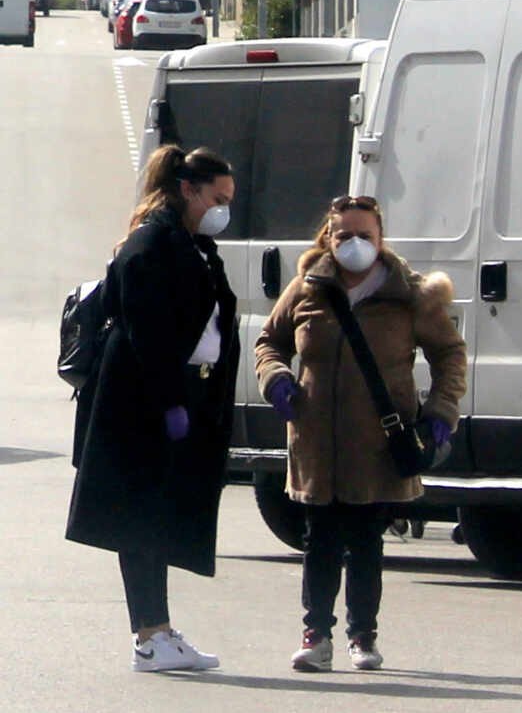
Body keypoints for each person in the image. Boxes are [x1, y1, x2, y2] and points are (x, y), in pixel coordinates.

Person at [255, 195, 466, 672]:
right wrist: (276, 378)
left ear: (381, 239)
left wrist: (440, 411)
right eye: (343, 235)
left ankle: (362, 636)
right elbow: (270, 340)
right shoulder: (308, 288)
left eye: (364, 236)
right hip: (316, 442)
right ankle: (316, 635)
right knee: (319, 539)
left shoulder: (409, 294)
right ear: (328, 238)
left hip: (376, 444)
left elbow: (450, 354)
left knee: (366, 539)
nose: (353, 245)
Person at [66, 145, 239, 672]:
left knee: (157, 518)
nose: (224, 208)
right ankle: (148, 635)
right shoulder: (152, 245)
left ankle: (159, 628)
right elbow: (147, 333)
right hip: (137, 403)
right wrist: (169, 402)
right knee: (136, 519)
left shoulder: (193, 244)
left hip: (176, 394)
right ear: (188, 190)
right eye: (218, 197)